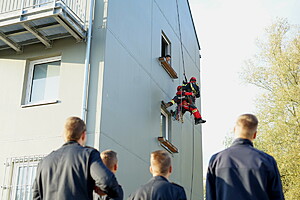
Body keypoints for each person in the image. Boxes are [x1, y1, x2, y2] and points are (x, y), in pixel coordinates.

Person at [32, 117, 123, 200]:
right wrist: (117, 193)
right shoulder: (89, 155)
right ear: (83, 135)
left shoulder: (44, 162)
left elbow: (36, 196)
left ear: (63, 135)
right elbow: (106, 180)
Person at [206, 114, 284, 200]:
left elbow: (210, 196)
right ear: (255, 135)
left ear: (234, 130)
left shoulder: (216, 160)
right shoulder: (267, 161)